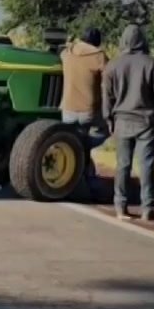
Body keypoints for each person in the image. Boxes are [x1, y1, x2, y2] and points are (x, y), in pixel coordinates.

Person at [102, 24, 154, 221]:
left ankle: (120, 206)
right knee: (147, 165)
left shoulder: (112, 66)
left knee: (122, 165)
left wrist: (108, 118)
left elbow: (107, 97)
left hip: (121, 121)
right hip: (146, 121)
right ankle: (147, 207)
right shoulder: (151, 64)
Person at [59, 27, 109, 193]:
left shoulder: (67, 53)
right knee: (104, 130)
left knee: (73, 141)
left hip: (67, 108)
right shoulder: (99, 56)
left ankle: (77, 170)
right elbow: (110, 79)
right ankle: (86, 161)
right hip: (88, 110)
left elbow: (61, 54)